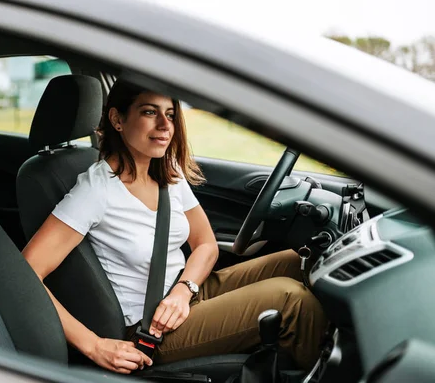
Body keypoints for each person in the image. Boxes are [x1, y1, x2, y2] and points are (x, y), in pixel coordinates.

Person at [22, 79, 328, 375]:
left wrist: (184, 290)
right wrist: (94, 345)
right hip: (150, 327)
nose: (165, 126)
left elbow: (205, 243)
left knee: (299, 261)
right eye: (149, 112)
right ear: (117, 119)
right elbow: (26, 272)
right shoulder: (96, 189)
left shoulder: (167, 171)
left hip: (184, 292)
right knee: (291, 300)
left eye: (170, 114)